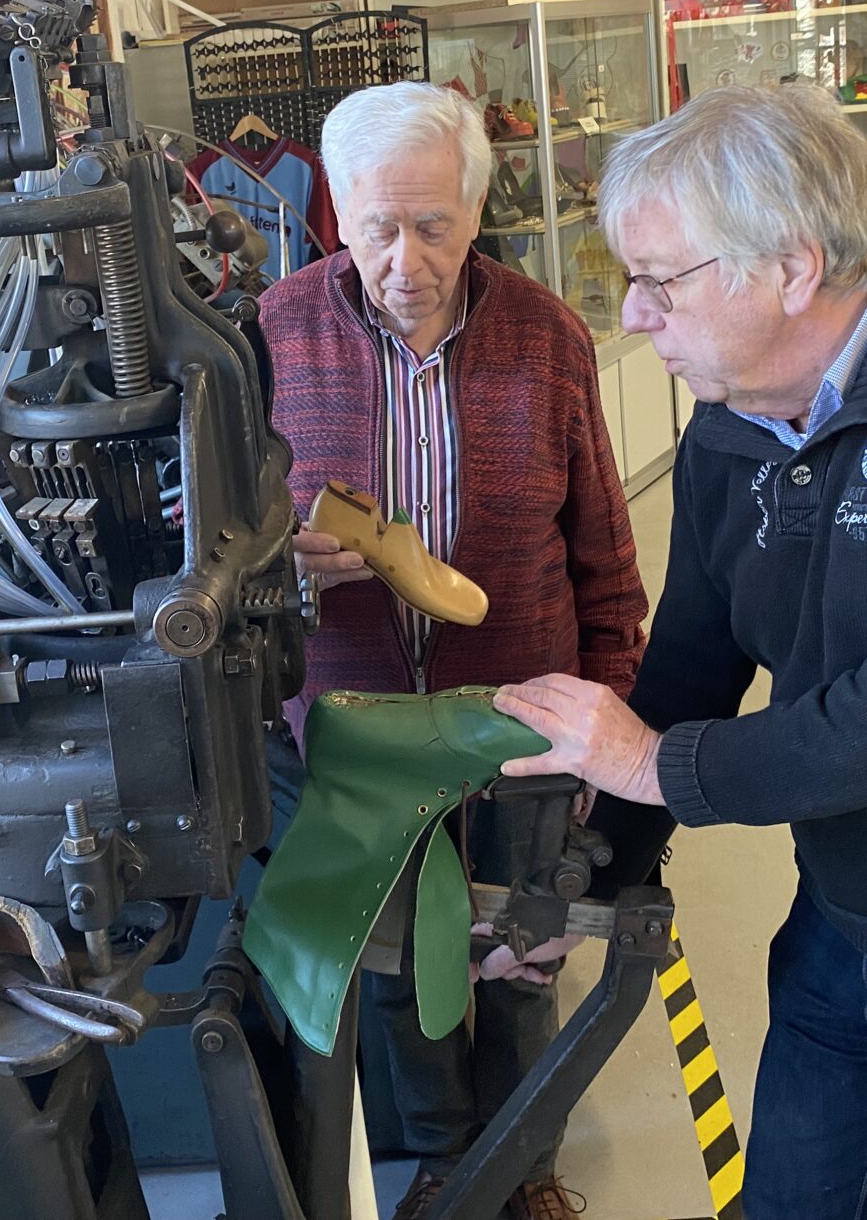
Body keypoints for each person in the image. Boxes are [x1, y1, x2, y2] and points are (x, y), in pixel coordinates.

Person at [258, 81, 647, 1220]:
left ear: (478, 212)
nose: (405, 258)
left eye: (433, 225)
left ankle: (522, 1169)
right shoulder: (276, 330)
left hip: (520, 717)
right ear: (337, 213)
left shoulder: (546, 335)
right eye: (378, 226)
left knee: (522, 949)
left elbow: (604, 556)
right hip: (355, 730)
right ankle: (438, 1166)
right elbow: (213, 545)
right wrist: (288, 564)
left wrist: (605, 731)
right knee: (397, 964)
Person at [494, 84, 867, 1220]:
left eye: (661, 282)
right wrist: (581, 890)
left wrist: (665, 768)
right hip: (843, 914)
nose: (638, 316)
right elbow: (694, 661)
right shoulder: (732, 419)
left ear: (791, 269)